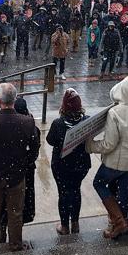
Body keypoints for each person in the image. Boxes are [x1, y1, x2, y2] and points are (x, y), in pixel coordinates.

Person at [0, 83, 40, 255]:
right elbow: (34, 150)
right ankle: (15, 245)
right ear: (14, 100)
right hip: (17, 176)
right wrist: (23, 165)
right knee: (15, 213)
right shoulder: (27, 122)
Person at [86, 76, 128, 239]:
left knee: (99, 183)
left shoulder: (115, 112)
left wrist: (90, 145)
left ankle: (118, 221)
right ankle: (120, 224)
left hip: (115, 163)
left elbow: (109, 144)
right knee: (125, 192)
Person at [45, 89, 91, 235]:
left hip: (61, 166)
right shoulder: (86, 121)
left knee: (63, 193)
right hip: (81, 164)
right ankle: (75, 223)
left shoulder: (58, 123)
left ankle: (64, 225)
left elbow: (50, 141)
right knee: (76, 190)